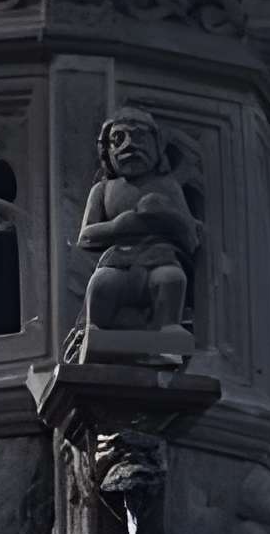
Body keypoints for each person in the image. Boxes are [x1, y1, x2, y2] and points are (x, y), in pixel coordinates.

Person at [76, 106, 199, 357]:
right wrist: (120, 226)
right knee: (101, 285)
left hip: (159, 256)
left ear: (157, 145)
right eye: (119, 139)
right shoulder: (103, 190)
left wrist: (165, 215)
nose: (129, 145)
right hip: (118, 260)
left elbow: (190, 235)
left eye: (140, 137)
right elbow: (86, 236)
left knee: (171, 279)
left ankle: (168, 329)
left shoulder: (168, 186)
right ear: (106, 151)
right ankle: (96, 331)